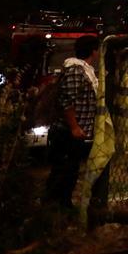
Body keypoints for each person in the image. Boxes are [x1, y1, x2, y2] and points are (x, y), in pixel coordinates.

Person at [45, 35, 100, 210]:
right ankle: (54, 208)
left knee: (69, 171)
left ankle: (61, 206)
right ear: (93, 51)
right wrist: (74, 126)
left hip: (74, 131)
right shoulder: (76, 70)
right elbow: (66, 100)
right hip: (68, 131)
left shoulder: (83, 70)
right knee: (63, 172)